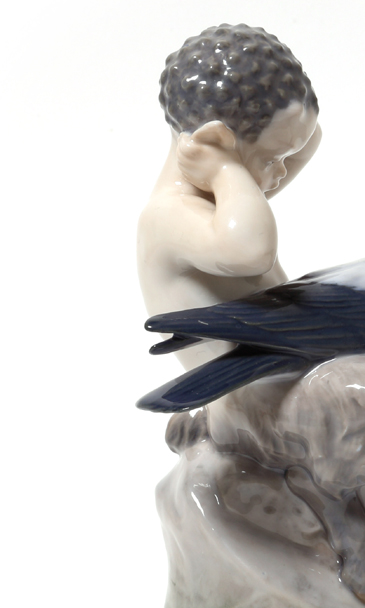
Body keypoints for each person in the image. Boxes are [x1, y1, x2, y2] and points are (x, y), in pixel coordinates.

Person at [138, 23, 322, 370]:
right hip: (246, 391)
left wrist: (254, 155)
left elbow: (310, 141)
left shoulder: (230, 200)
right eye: (272, 159)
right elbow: (252, 253)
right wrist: (223, 167)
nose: (282, 171)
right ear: (215, 143)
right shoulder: (167, 216)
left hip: (289, 367)